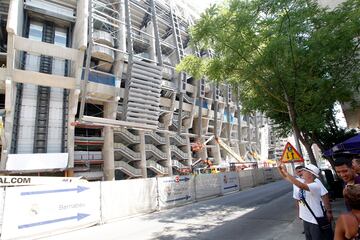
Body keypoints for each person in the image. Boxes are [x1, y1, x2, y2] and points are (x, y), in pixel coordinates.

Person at [279, 163, 333, 240]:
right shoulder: (302, 181)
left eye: (303, 171)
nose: (301, 172)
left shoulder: (315, 185)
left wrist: (329, 211)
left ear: (310, 174)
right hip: (306, 218)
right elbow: (286, 178)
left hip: (315, 220)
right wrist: (281, 169)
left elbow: (300, 186)